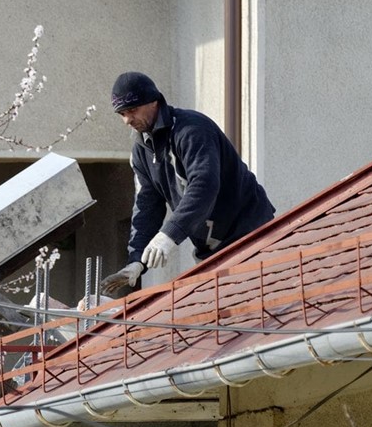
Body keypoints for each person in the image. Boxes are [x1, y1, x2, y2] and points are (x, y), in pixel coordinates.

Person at [100, 71, 275, 295]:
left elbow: (204, 186)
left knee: (263, 310)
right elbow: (146, 206)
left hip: (251, 233)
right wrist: (136, 261)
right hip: (211, 251)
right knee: (218, 316)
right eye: (121, 114)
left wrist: (169, 234)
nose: (127, 120)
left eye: (132, 110)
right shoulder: (141, 150)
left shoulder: (192, 129)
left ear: (153, 101)